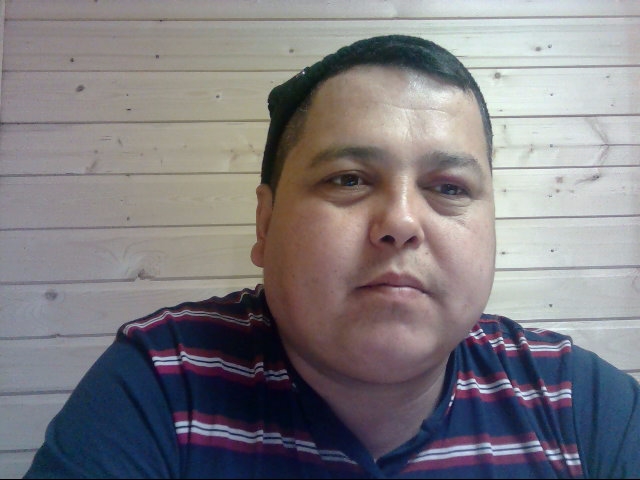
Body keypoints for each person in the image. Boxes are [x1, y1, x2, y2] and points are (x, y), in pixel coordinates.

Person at [25, 35, 639, 479]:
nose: (401, 222)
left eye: (449, 188)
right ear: (266, 223)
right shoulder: (163, 383)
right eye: (349, 179)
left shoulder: (579, 404)